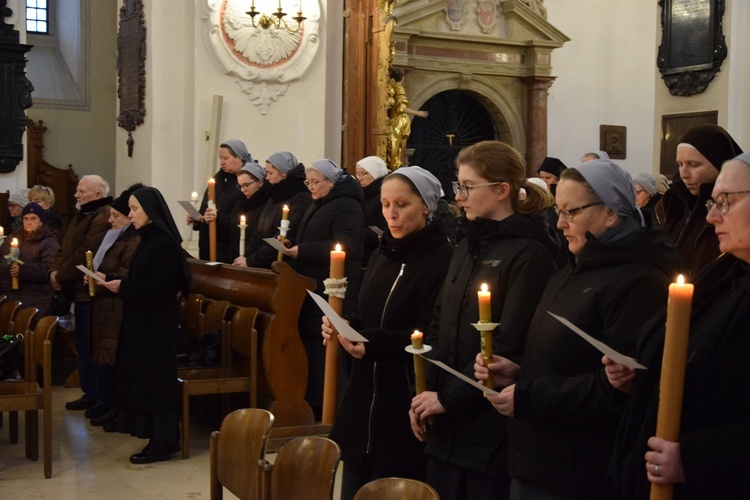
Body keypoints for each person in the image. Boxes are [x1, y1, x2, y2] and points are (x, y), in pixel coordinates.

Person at [474, 159, 678, 500]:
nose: (560, 223)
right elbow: (565, 357)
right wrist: (518, 370)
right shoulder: (571, 268)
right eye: (558, 210)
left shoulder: (639, 281)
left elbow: (618, 389)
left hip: (578, 468)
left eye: (571, 212)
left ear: (611, 213)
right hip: (535, 454)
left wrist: (529, 397)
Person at [409, 141, 561, 500]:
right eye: (457, 186)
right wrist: (425, 393)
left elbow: (507, 345)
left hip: (487, 427)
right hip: (446, 419)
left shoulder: (529, 253)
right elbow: (439, 322)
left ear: (502, 190)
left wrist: (448, 398)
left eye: (467, 186)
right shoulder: (465, 245)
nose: (459, 197)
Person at [605, 151, 750, 499]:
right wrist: (646, 372)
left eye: (725, 202)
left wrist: (699, 458)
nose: (712, 216)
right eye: (713, 201)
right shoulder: (726, 275)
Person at [324, 166, 453, 500]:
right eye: (384, 204)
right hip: (363, 396)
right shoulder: (383, 252)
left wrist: (373, 342)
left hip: (402, 399)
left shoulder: (444, 259)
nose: (391, 215)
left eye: (402, 204)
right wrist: (344, 324)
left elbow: (431, 333)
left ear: (426, 205)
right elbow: (365, 309)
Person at [99, 187, 191, 464]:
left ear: (152, 211)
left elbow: (161, 286)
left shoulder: (163, 244)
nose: (131, 214)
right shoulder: (148, 239)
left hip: (155, 325)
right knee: (144, 380)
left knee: (155, 383)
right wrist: (112, 279)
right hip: (142, 321)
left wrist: (123, 286)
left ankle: (162, 443)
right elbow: (143, 277)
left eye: (135, 208)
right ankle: (161, 438)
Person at [279, 159, 363, 415]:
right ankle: (316, 402)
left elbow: (346, 245)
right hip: (313, 284)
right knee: (315, 347)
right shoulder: (319, 203)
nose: (311, 187)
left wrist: (301, 250)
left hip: (333, 287)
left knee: (328, 346)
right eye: (308, 182)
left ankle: (333, 407)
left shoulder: (347, 205)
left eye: (315, 182)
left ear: (331, 181)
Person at [50, 175, 112, 412]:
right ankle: (89, 393)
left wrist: (60, 276)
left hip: (90, 293)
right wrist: (53, 272)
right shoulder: (83, 214)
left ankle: (99, 396)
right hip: (75, 289)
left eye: (81, 191)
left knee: (91, 345)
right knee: (83, 345)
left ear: (97, 194)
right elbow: (65, 248)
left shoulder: (102, 215)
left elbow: (83, 254)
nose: (76, 195)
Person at [86, 184, 143, 428]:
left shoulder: (135, 240)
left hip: (117, 306)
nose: (111, 220)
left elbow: (127, 272)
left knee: (115, 361)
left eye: (116, 216)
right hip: (105, 305)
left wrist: (100, 277)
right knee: (104, 359)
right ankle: (106, 402)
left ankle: (116, 406)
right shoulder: (119, 237)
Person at [656, 124, 743, 277]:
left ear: (720, 162)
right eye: (680, 164)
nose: (683, 174)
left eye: (693, 165)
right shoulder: (672, 202)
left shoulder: (737, 210)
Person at [241, 151, 312, 269]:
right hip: (261, 263)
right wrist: (245, 257)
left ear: (283, 173)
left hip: (281, 265)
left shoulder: (301, 198)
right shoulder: (274, 192)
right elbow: (259, 232)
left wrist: (251, 261)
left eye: (270, 173)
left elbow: (284, 236)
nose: (267, 177)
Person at [189, 139, 248, 263]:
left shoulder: (245, 181)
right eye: (220, 158)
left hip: (228, 247)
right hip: (207, 243)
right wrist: (197, 219)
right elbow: (205, 208)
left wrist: (217, 218)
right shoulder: (217, 179)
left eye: (226, 158)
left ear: (239, 158)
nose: (221, 162)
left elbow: (242, 216)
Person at [0, 202, 59, 311]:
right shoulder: (13, 237)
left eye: (33, 219)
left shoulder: (48, 241)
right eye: (26, 219)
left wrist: (22, 270)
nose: (29, 222)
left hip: (36, 298)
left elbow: (49, 268)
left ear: (41, 221)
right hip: (10, 295)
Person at [229, 161, 268, 265]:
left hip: (255, 261)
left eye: (246, 185)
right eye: (240, 186)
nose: (243, 190)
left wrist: (248, 258)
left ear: (260, 183)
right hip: (237, 257)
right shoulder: (239, 204)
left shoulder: (267, 205)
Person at [355, 155, 389, 266]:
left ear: (375, 174)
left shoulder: (383, 196)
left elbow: (385, 230)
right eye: (358, 174)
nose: (360, 178)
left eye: (365, 174)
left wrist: (357, 232)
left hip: (377, 255)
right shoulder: (362, 194)